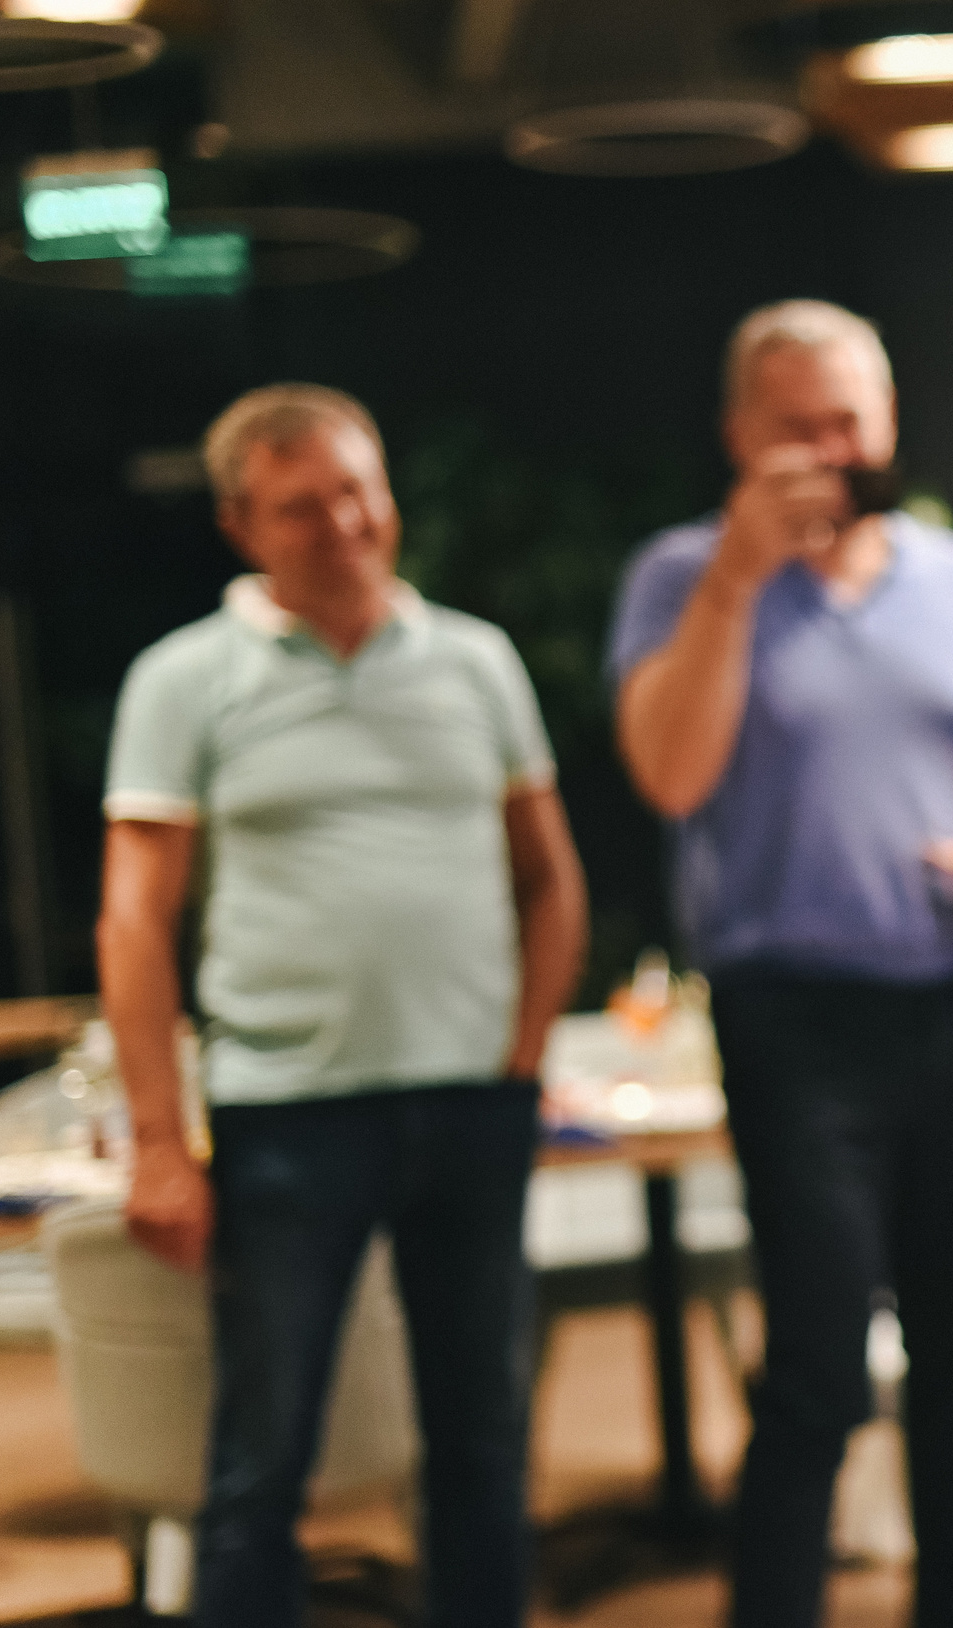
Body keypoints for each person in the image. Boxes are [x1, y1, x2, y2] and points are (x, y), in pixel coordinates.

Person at [99, 383, 587, 1628]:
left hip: (470, 1104)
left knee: (484, 1444)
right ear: (240, 524)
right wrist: (160, 1140)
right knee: (264, 1460)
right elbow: (134, 919)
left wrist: (521, 1056)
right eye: (302, 507)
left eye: (360, 492)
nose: (346, 525)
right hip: (286, 1115)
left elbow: (551, 880)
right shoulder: (184, 678)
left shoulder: (474, 660)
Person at [607, 298, 953, 1628]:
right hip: (792, 1015)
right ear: (742, 435)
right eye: (797, 426)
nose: (828, 450)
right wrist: (742, 579)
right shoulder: (680, 577)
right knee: (814, 1360)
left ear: (890, 423)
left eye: (849, 422)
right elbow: (670, 772)